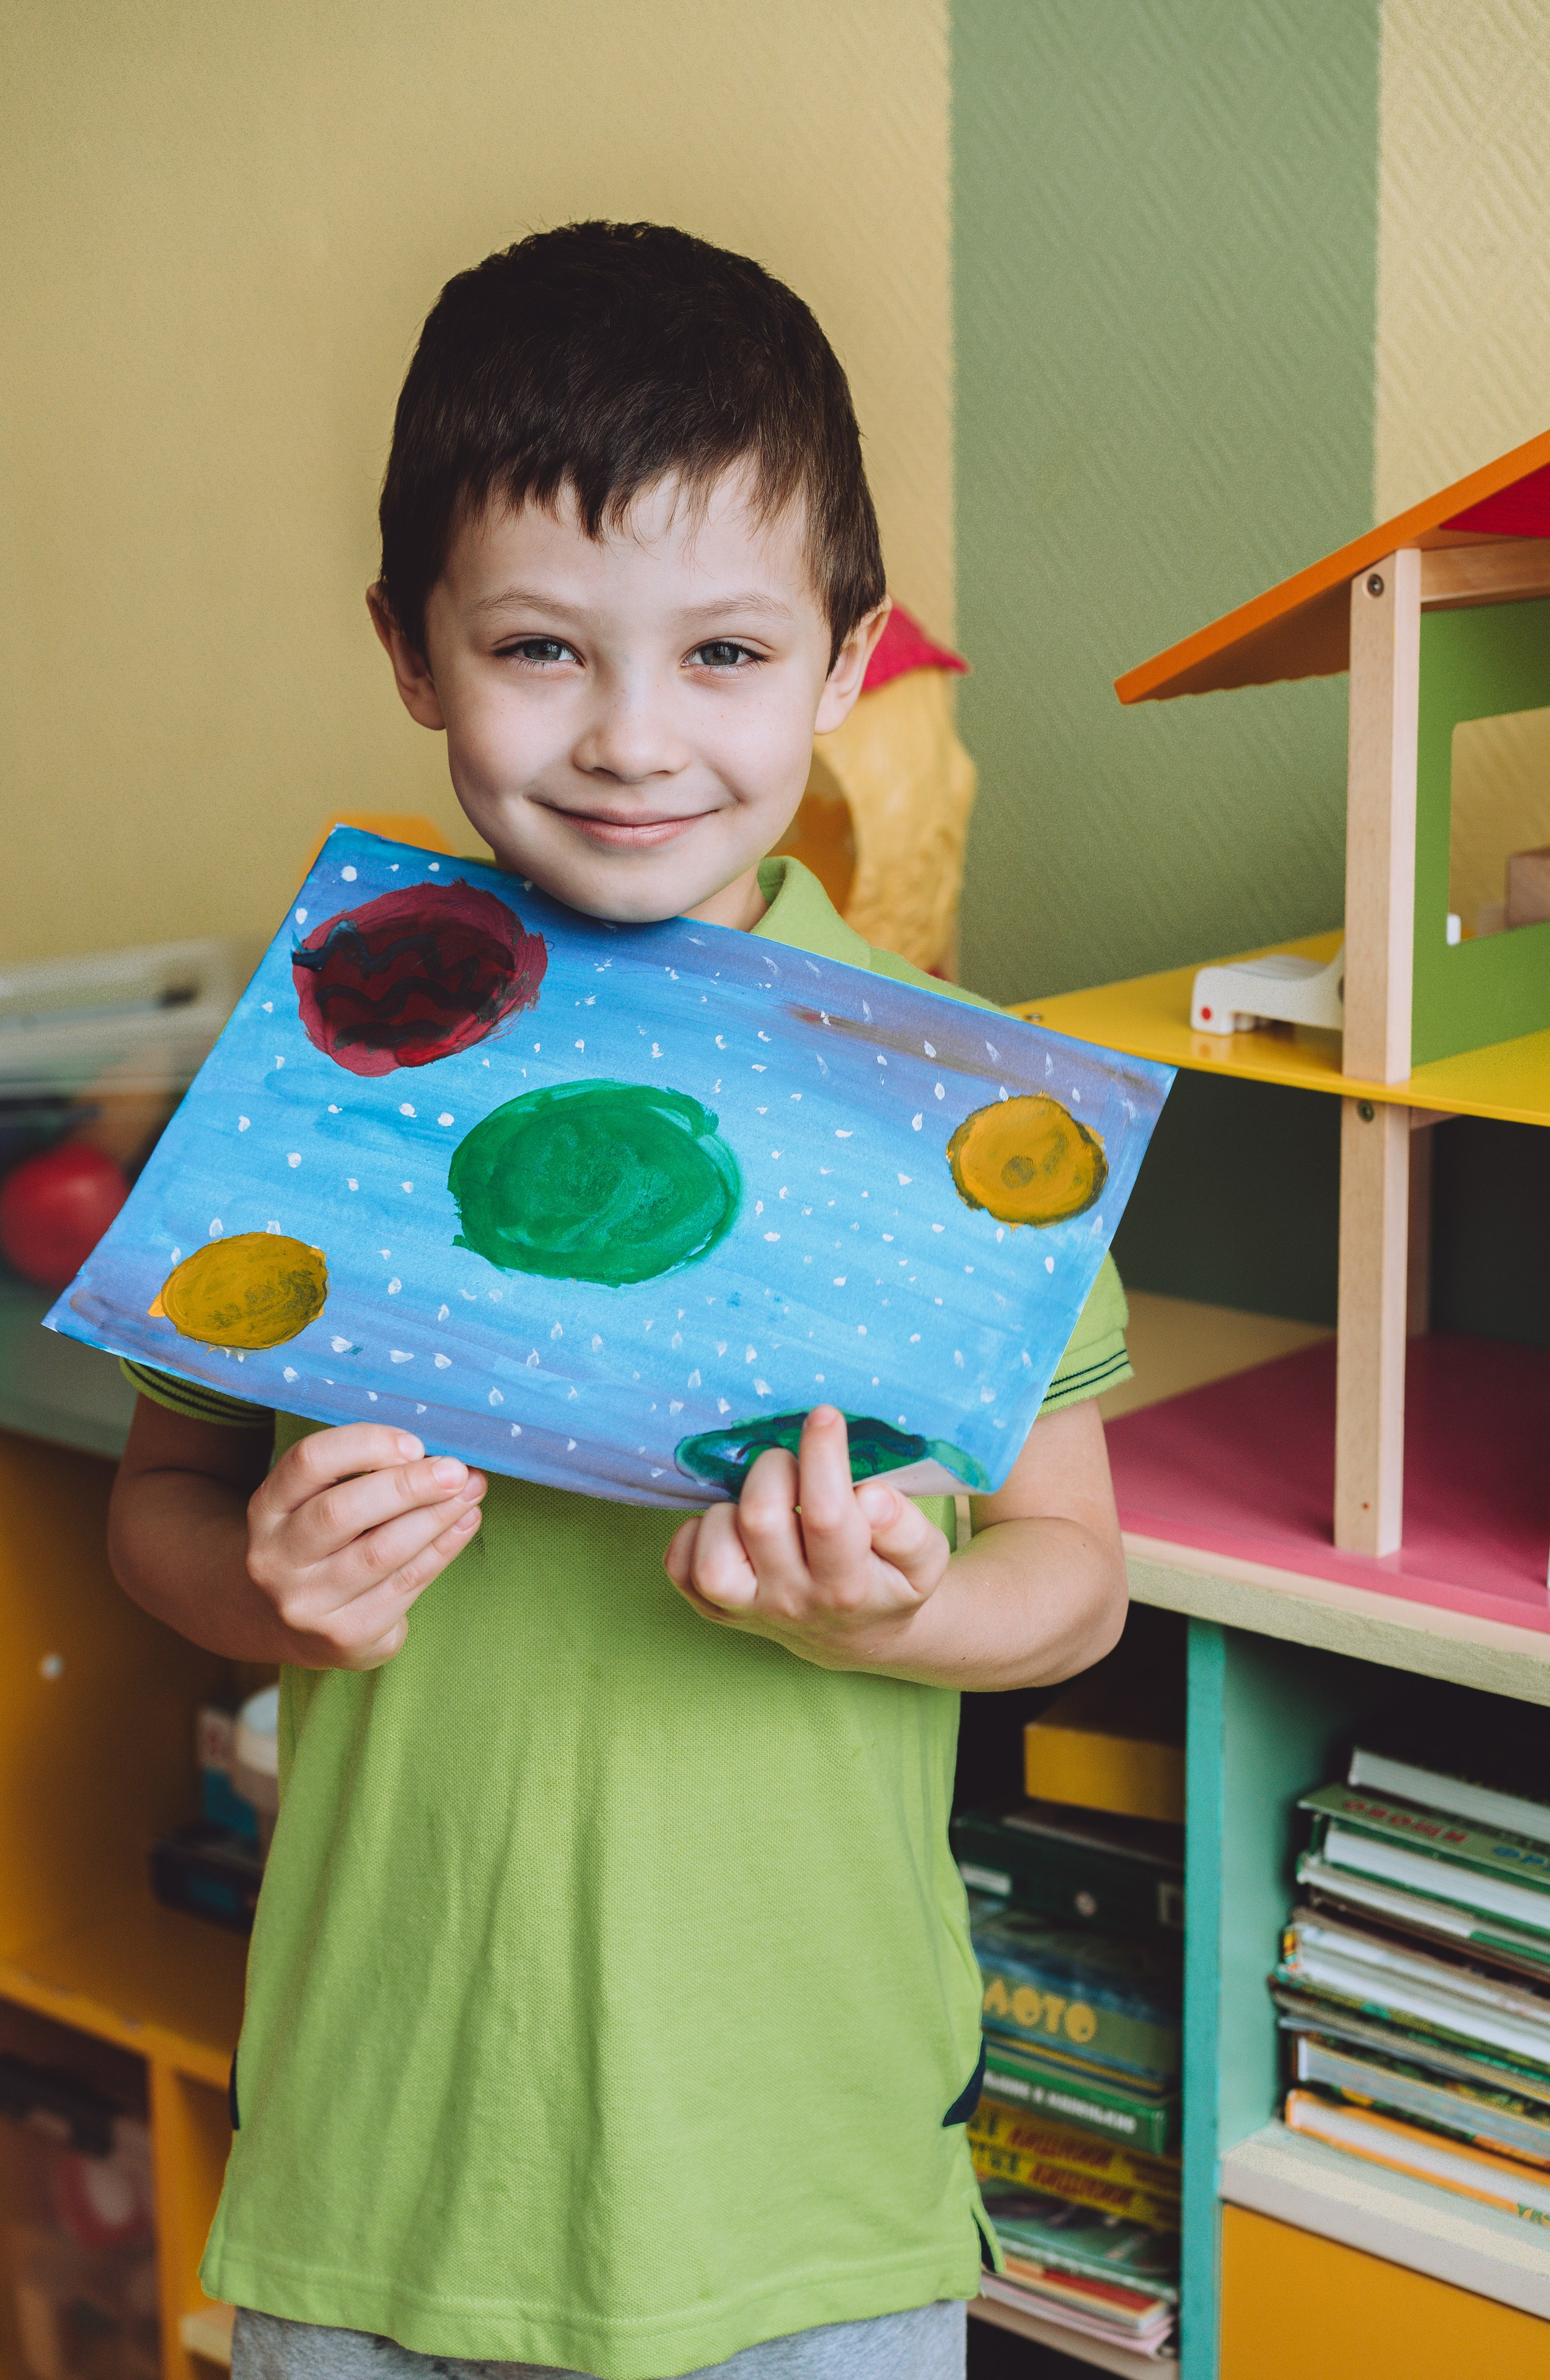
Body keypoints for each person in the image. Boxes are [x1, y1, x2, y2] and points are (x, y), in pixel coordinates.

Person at [107, 222, 1131, 2380]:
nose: (635, 739)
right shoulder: (318, 1060)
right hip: (382, 2176)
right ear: (411, 649)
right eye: (543, 650)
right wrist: (270, 1593)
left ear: (848, 660)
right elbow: (162, 1514)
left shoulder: (953, 1119)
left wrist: (898, 1616)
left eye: (729, 654)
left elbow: (1076, 1576)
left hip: (799, 2205)